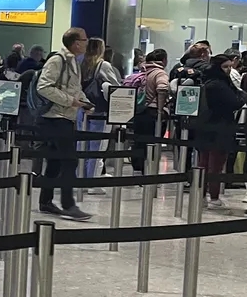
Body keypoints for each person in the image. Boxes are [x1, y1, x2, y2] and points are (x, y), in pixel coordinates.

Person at [35, 28, 91, 220]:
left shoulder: (73, 61)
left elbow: (74, 88)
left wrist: (83, 102)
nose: (86, 42)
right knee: (69, 160)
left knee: (55, 161)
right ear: (76, 42)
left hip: (65, 117)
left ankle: (46, 201)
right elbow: (43, 87)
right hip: (55, 118)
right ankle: (68, 204)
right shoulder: (58, 60)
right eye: (84, 39)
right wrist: (70, 101)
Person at [197, 52, 245, 210]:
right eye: (225, 67)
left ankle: (201, 195)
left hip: (205, 126)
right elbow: (235, 102)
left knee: (204, 163)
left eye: (230, 67)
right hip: (220, 127)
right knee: (215, 164)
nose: (229, 70)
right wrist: (243, 95)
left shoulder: (207, 81)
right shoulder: (219, 85)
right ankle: (214, 196)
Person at [80, 38, 121, 184]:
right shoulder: (103, 65)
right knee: (97, 148)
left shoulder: (81, 63)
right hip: (100, 111)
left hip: (82, 109)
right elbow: (116, 87)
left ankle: (80, 177)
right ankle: (93, 181)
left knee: (82, 146)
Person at [130, 48, 170, 172]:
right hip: (152, 113)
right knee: (152, 143)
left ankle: (137, 170)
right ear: (164, 60)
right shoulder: (159, 73)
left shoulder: (142, 71)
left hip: (138, 111)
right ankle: (148, 172)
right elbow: (162, 87)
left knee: (138, 142)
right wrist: (160, 109)